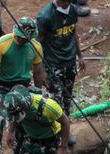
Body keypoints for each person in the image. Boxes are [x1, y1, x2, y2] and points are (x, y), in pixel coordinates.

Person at [0, 18, 47, 154]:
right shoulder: (2, 44)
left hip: (23, 86)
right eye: (19, 37)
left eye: (24, 38)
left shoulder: (36, 46)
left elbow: (38, 72)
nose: (21, 40)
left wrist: (38, 94)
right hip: (3, 86)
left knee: (25, 119)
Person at [37, 0, 86, 137]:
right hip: (53, 65)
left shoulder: (73, 10)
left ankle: (65, 130)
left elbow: (74, 33)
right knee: (55, 101)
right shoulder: (45, 17)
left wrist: (80, 56)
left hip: (69, 62)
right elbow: (37, 44)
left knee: (67, 97)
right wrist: (42, 71)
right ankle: (57, 133)